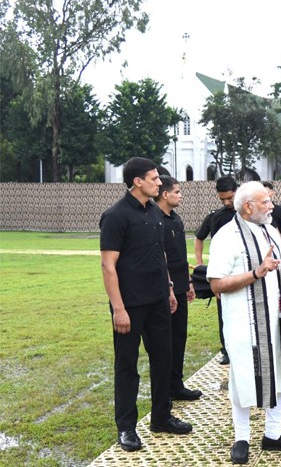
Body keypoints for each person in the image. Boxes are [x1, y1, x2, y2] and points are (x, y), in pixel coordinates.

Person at [206, 181, 281, 463]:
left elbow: (276, 272)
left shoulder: (270, 231)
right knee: (242, 379)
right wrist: (256, 272)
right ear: (248, 206)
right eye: (265, 202)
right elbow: (216, 284)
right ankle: (242, 438)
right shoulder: (227, 236)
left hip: (276, 319)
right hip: (245, 324)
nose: (271, 206)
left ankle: (273, 434)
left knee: (280, 374)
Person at [100, 157, 192, 453]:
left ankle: (161, 417)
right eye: (153, 178)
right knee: (127, 365)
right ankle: (126, 428)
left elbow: (160, 255)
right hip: (130, 305)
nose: (159, 182)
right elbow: (108, 266)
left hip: (158, 301)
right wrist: (118, 309)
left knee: (163, 359)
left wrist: (169, 289)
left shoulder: (154, 212)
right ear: (137, 182)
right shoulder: (115, 216)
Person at [155, 175, 203, 400]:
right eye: (177, 191)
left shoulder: (176, 219)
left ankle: (176, 384)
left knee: (179, 337)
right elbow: (161, 259)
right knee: (165, 342)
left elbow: (181, 256)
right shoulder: (155, 220)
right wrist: (171, 287)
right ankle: (165, 389)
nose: (180, 195)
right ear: (165, 194)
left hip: (181, 286)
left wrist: (189, 282)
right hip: (165, 290)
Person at [194, 175, 238, 365]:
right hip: (224, 274)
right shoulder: (216, 217)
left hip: (246, 272)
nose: (227, 202)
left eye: (230, 197)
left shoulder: (249, 213)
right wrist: (199, 265)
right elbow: (199, 238)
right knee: (224, 313)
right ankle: (226, 349)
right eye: (223, 199)